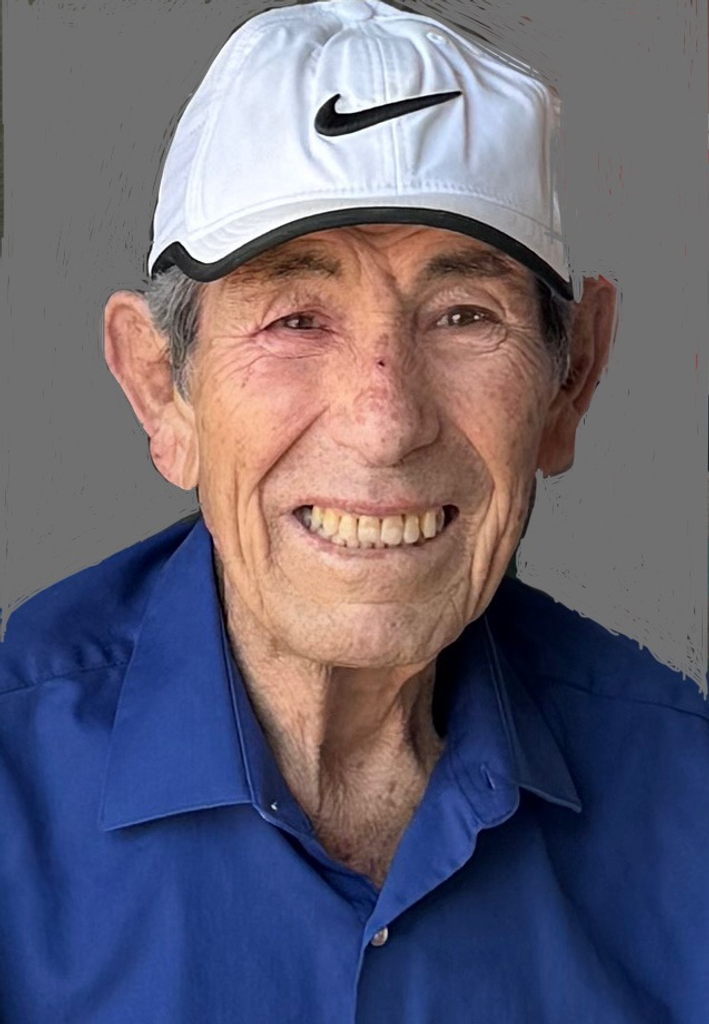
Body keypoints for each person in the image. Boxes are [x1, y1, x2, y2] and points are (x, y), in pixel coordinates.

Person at [0, 1, 707, 1021]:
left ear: (571, 380)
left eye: (462, 316)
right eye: (295, 319)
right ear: (162, 389)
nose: (384, 425)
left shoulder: (684, 802)